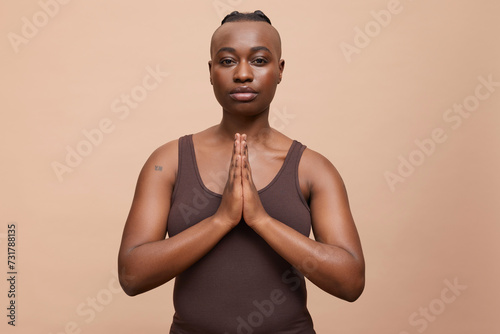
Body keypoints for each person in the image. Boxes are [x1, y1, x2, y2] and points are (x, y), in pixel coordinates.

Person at [118, 10, 365, 333]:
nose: (243, 74)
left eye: (260, 61)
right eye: (228, 61)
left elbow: (350, 283)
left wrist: (261, 220)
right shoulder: (168, 162)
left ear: (280, 70)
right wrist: (221, 219)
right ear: (211, 71)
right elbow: (132, 276)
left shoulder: (314, 170)